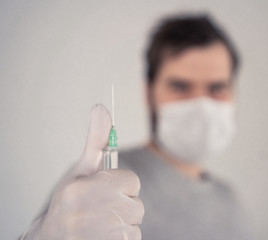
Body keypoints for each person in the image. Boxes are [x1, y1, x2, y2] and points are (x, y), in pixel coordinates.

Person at [20, 13, 251, 240]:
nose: (201, 104)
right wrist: (46, 234)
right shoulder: (97, 182)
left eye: (217, 87)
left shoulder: (231, 201)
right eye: (180, 86)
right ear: (149, 93)